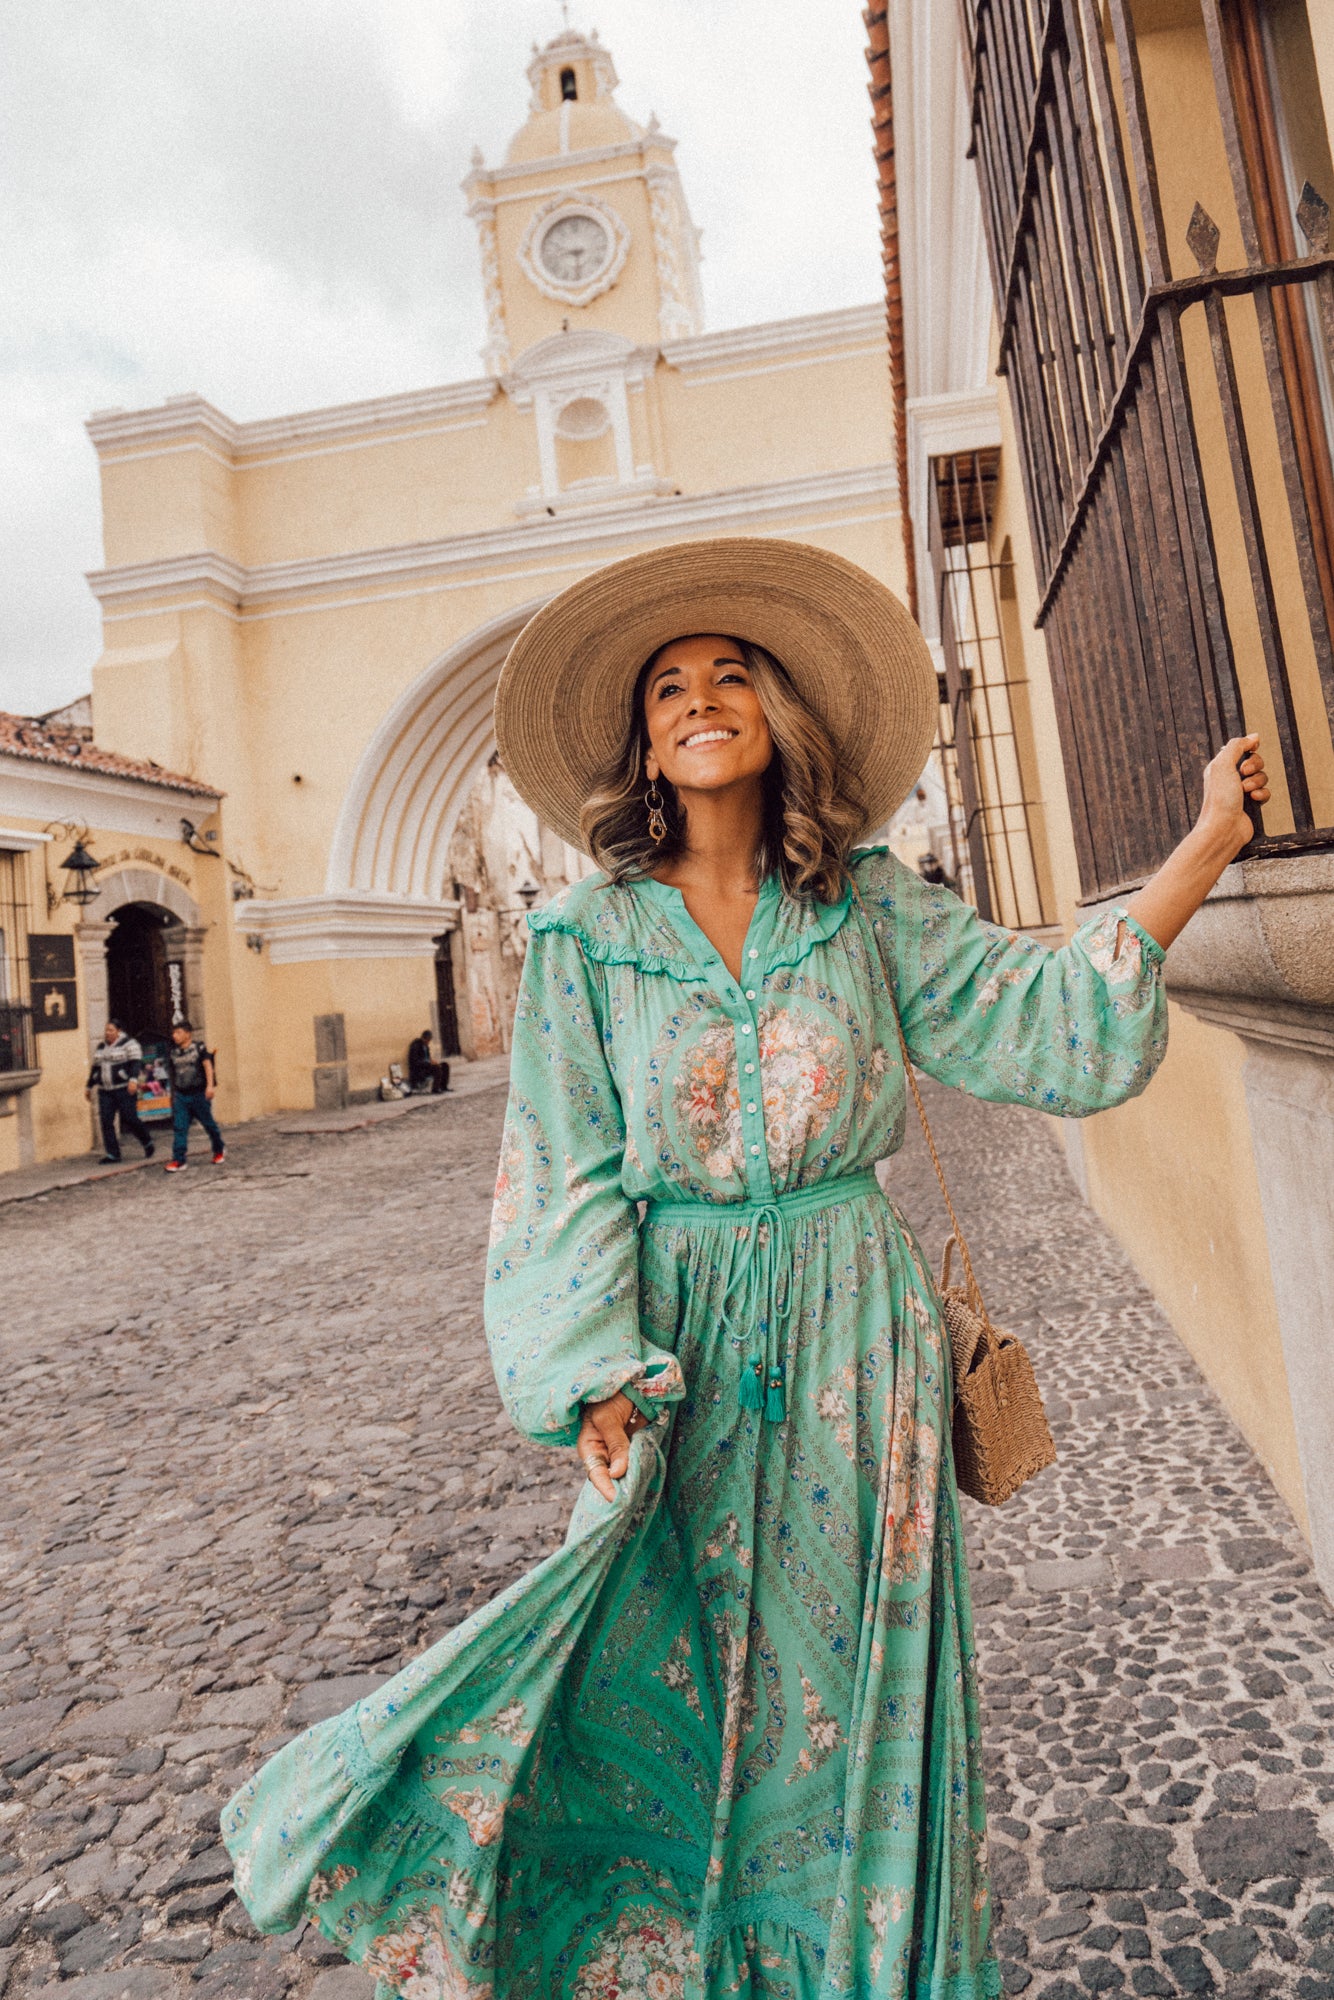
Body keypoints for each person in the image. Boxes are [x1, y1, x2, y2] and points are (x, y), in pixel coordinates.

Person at [223, 538, 1269, 1998]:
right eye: (669, 688)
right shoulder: (582, 942)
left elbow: (1030, 1014)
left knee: (848, 1696)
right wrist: (585, 1372)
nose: (699, 699)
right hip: (679, 1352)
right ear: (642, 744)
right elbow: (561, 1166)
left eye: (729, 677)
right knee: (650, 1663)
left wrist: (1203, 850)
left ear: (777, 716)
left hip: (856, 1341)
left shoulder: (865, 903)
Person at [86, 1019, 153, 1164]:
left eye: (111, 1030)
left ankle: (147, 1141)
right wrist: (89, 1086)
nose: (108, 1033)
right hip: (105, 1091)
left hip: (124, 1089)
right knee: (106, 1121)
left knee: (130, 1118)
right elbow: (95, 1068)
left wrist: (133, 1080)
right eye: (106, 1030)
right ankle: (113, 1154)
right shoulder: (101, 1047)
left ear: (119, 1031)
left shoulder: (129, 1044)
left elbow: (136, 1063)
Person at [163, 1019, 225, 1172]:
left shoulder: (199, 1048)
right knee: (180, 1127)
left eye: (178, 1032)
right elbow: (172, 1073)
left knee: (209, 1125)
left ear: (188, 1034)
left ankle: (219, 1149)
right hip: (182, 1096)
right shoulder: (173, 1052)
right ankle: (179, 1159)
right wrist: (173, 1094)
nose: (175, 1036)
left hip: (198, 1094)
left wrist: (210, 1086)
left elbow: (207, 1065)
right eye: (174, 1033)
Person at [406, 1027, 450, 1094]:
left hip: (427, 1066)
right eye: (427, 1040)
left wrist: (432, 1061)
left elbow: (428, 1058)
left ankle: (443, 1086)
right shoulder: (416, 1046)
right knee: (436, 1068)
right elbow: (415, 1062)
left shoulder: (426, 1046)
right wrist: (429, 1063)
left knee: (445, 1065)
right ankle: (435, 1089)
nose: (428, 1042)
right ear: (424, 1038)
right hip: (420, 1069)